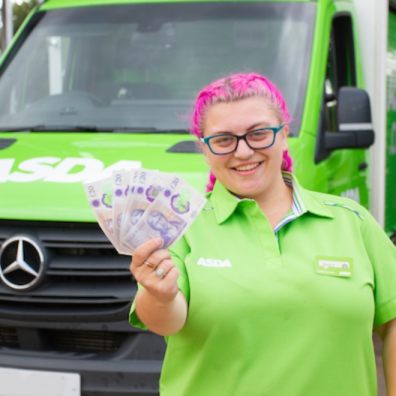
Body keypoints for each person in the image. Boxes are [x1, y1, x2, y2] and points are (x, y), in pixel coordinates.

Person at [129, 72, 396, 396]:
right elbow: (164, 321)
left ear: (283, 134)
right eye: (224, 139)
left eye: (258, 134)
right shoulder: (180, 226)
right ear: (204, 147)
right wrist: (159, 294)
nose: (243, 152)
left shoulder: (351, 221)